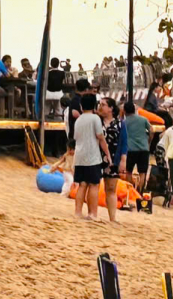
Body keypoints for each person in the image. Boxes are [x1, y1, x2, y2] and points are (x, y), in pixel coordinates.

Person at [64, 95, 114, 224]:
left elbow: (76, 137)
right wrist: (107, 154)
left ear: (81, 106)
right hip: (92, 156)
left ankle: (78, 212)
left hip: (80, 156)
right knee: (93, 185)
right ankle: (92, 213)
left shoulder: (79, 119)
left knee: (82, 185)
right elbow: (100, 137)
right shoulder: (95, 118)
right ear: (94, 106)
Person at [120, 99, 151, 185]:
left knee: (129, 172)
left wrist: (121, 114)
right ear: (134, 109)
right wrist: (148, 141)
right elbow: (151, 130)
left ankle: (131, 191)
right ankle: (140, 193)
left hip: (130, 150)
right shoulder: (143, 119)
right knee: (142, 173)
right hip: (144, 149)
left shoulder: (124, 122)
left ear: (125, 111)